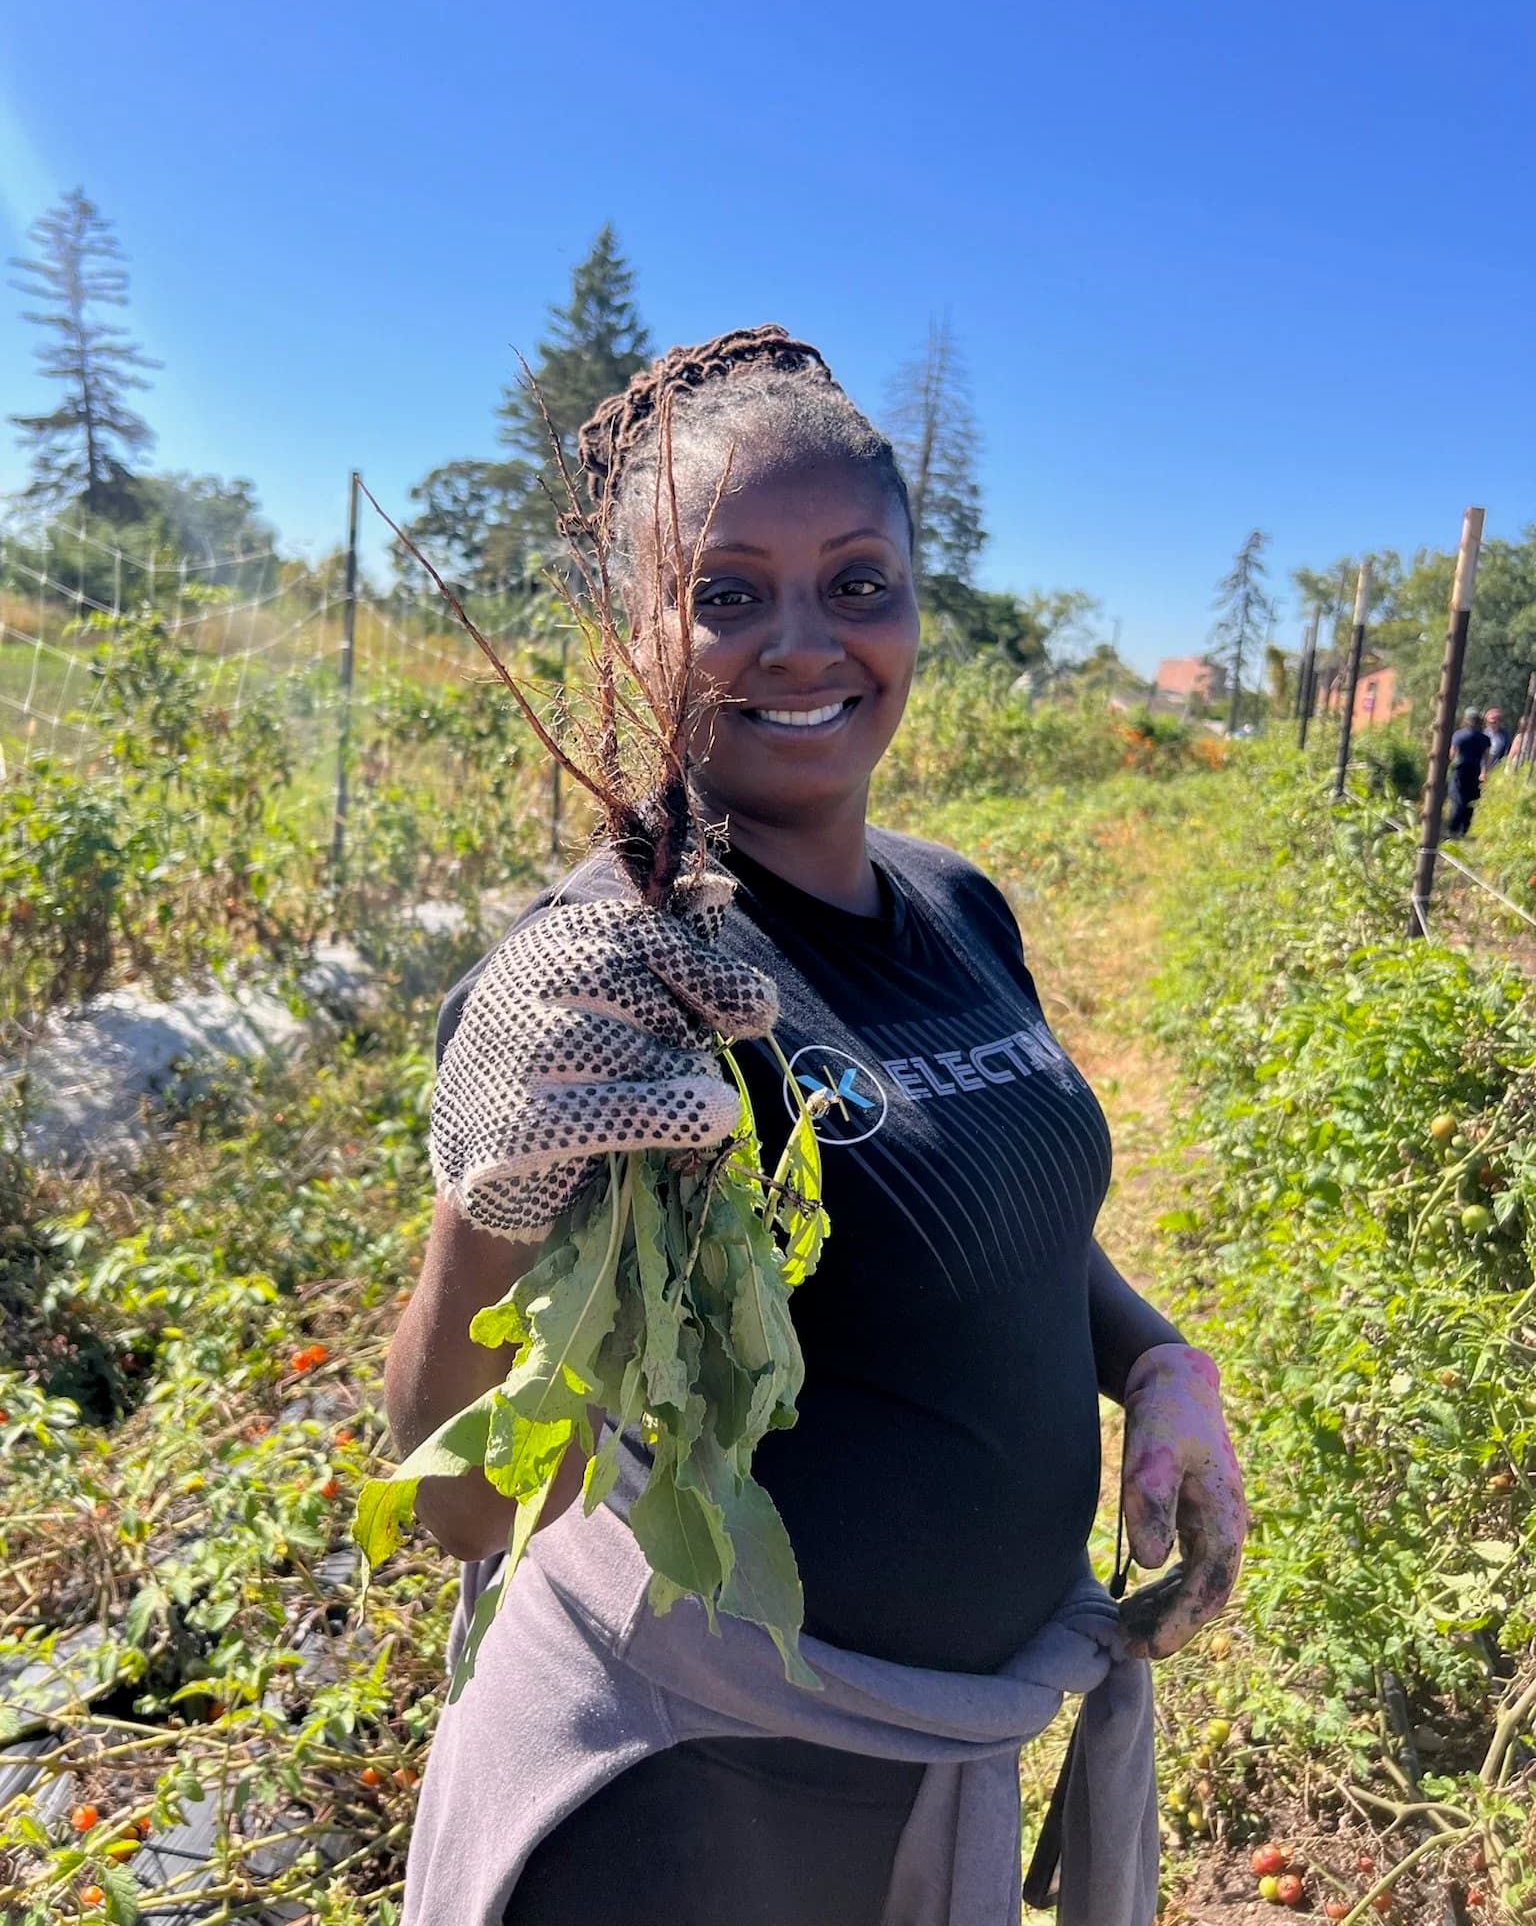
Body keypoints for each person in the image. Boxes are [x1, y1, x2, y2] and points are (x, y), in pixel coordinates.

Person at [386, 328, 1247, 1926]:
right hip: (698, 1801)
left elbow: (1014, 1222)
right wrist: (485, 1188)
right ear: (634, 632)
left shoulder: (956, 900)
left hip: (929, 1763)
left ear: (915, 605)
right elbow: (463, 1504)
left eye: (858, 582)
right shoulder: (612, 978)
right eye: (725, 594)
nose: (802, 644)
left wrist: (1159, 1363)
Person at [1447, 707, 1491, 838]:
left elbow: (1452, 754)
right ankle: (1464, 830)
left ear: (1466, 719)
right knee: (1471, 800)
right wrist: (1484, 771)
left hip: (1460, 770)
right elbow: (1486, 757)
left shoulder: (1459, 735)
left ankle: (1453, 829)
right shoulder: (1484, 738)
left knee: (1457, 798)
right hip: (1475, 771)